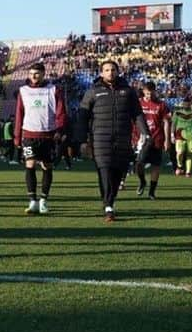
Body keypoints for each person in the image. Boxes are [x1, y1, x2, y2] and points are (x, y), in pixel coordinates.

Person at [75, 61, 149, 223]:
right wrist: (82, 141)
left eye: (113, 70)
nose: (110, 73)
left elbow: (137, 114)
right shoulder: (92, 92)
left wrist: (145, 133)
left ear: (118, 71)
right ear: (101, 73)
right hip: (100, 139)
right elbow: (82, 117)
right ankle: (108, 206)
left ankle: (110, 200)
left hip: (123, 138)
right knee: (104, 170)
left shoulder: (128, 92)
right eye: (107, 70)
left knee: (117, 172)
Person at [13, 62, 67, 214]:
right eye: (31, 74)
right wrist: (17, 136)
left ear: (43, 74)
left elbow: (61, 112)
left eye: (36, 73)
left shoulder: (54, 90)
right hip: (29, 134)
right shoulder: (23, 91)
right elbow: (19, 114)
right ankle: (32, 201)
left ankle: (43, 200)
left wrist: (59, 129)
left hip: (48, 134)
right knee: (29, 164)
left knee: (46, 166)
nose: (33, 76)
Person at [134, 81, 171, 200]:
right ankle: (142, 181)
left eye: (151, 93)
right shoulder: (138, 103)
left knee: (156, 165)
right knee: (139, 163)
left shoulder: (161, 105)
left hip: (157, 138)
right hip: (142, 139)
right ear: (143, 91)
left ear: (155, 91)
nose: (149, 95)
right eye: (147, 93)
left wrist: (167, 140)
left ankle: (151, 192)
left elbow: (166, 122)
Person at [170, 96, 192, 177]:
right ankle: (179, 166)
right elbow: (173, 124)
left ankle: (188, 172)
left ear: (190, 104)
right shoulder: (177, 113)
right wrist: (172, 135)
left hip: (191, 136)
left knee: (190, 154)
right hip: (179, 136)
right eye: (185, 103)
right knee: (179, 153)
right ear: (183, 104)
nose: (186, 105)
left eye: (187, 103)